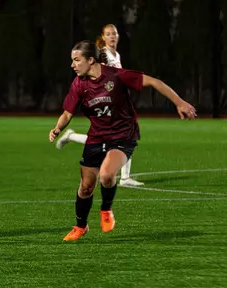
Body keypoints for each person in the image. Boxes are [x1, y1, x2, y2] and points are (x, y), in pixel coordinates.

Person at [49, 40, 196, 241]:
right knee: (86, 187)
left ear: (91, 60)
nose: (72, 65)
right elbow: (67, 113)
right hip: (97, 136)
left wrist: (179, 102)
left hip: (123, 135)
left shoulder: (116, 76)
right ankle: (81, 226)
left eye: (76, 60)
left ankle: (106, 210)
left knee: (107, 175)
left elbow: (154, 82)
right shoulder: (78, 84)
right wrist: (58, 128)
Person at [56, 24, 143, 187]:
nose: (112, 37)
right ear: (102, 37)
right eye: (108, 34)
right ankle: (124, 178)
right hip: (102, 99)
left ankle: (71, 136)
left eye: (115, 34)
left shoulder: (116, 54)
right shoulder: (102, 55)